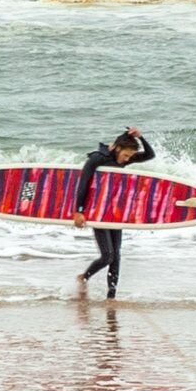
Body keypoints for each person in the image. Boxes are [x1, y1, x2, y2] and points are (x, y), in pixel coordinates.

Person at [72, 126, 153, 298]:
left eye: (130, 156)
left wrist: (140, 137)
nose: (127, 159)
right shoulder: (97, 159)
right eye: (125, 155)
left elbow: (149, 155)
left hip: (115, 211)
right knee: (107, 255)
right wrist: (79, 211)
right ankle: (83, 277)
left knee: (116, 255)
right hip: (97, 211)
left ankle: (111, 295)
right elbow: (83, 183)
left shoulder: (123, 159)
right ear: (117, 148)